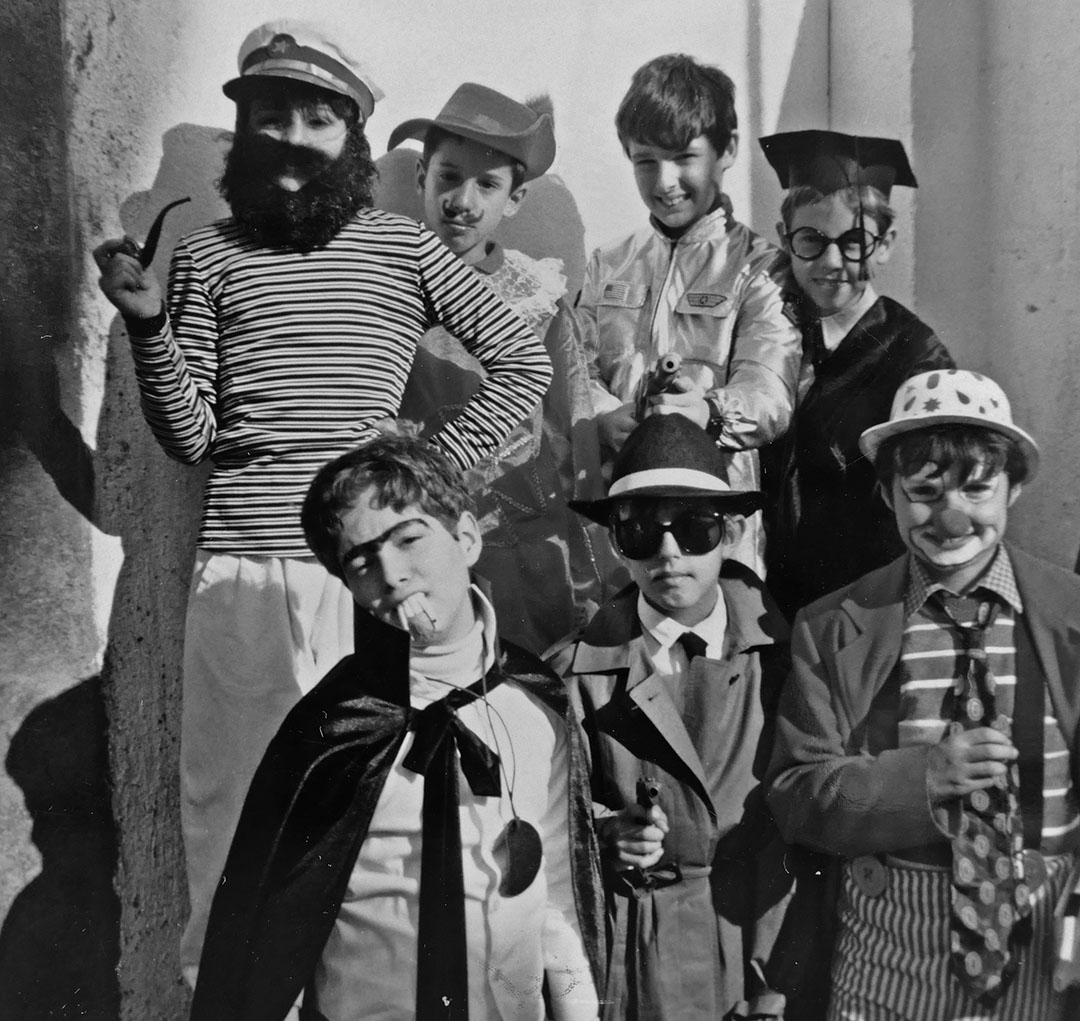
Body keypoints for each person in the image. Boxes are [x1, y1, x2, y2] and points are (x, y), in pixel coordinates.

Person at [91, 20, 552, 984]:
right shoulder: (208, 257)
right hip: (242, 585)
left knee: (376, 824)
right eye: (270, 117)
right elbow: (193, 437)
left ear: (355, 135)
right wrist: (148, 327)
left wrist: (419, 475)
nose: (292, 140)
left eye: (317, 119)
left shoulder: (403, 249)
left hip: (371, 586)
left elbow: (522, 362)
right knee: (232, 818)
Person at [189, 434, 604, 1021]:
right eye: (361, 562)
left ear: (466, 537)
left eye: (410, 539)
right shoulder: (331, 729)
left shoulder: (536, 705)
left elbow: (558, 898)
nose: (392, 574)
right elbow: (267, 932)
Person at [767, 369, 1080, 1021]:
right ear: (888, 495)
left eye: (977, 488)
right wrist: (922, 779)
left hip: (1045, 951)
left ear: (1015, 487)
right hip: (886, 959)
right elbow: (796, 794)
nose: (951, 516)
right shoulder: (834, 625)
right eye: (925, 492)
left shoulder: (1070, 615)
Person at [547, 414, 790, 1021]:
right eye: (640, 533)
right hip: (636, 959)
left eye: (694, 527)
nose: (669, 553)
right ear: (615, 543)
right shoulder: (573, 675)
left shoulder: (787, 659)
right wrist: (607, 834)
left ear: (732, 532)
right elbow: (545, 825)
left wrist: (779, 985)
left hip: (755, 948)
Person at [388, 82, 609, 653]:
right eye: (448, 176)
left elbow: (573, 426)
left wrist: (586, 558)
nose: (463, 201)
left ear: (514, 200)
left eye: (487, 184)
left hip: (520, 536)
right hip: (415, 527)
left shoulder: (535, 296)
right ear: (421, 177)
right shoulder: (385, 284)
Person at [576, 53, 801, 579]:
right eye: (646, 161)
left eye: (684, 157)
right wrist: (605, 415)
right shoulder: (609, 260)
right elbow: (575, 368)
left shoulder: (761, 267)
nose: (665, 181)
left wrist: (709, 413)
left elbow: (770, 392)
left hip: (715, 520)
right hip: (621, 513)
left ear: (728, 150)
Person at [758, 129, 955, 620]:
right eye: (811, 240)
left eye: (854, 242)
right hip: (765, 603)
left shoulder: (917, 357)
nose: (832, 262)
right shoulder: (766, 335)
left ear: (884, 244)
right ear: (784, 238)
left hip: (867, 607)